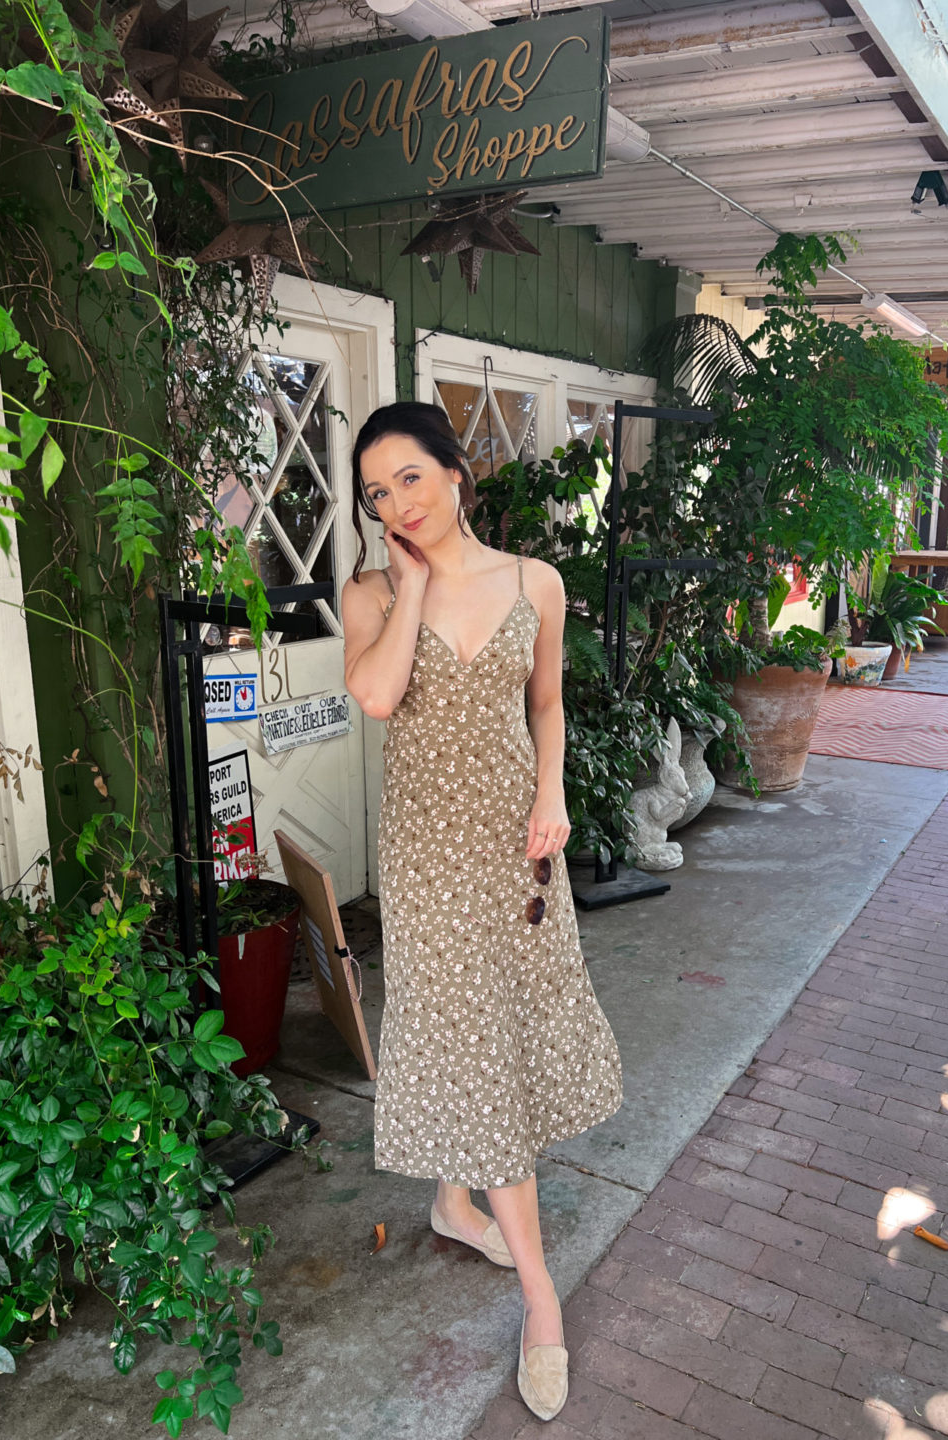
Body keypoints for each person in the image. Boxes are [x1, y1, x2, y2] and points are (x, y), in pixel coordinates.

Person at [341, 402, 623, 1423]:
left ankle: (456, 1203)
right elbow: (375, 697)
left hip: (513, 846)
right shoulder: (370, 590)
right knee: (470, 1046)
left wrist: (553, 794)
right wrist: (410, 591)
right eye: (377, 490)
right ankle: (543, 1303)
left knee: (499, 1033)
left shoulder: (533, 583)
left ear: (459, 472)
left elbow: (545, 704)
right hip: (424, 860)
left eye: (410, 476)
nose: (396, 502)